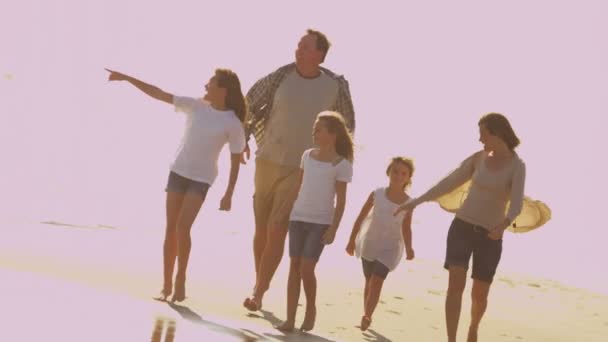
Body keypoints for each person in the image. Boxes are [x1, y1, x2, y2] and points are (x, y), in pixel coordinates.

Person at [105, 68, 247, 302]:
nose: (205, 85)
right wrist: (129, 78)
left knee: (183, 227)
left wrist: (229, 193)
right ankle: (166, 285)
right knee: (171, 228)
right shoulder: (196, 105)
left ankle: (181, 278)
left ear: (223, 89)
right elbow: (159, 94)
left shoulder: (233, 123)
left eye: (210, 82)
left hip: (202, 179)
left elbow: (235, 161)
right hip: (178, 172)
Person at [242, 29, 356, 311]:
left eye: (305, 47)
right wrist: (243, 136)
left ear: (319, 54)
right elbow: (248, 103)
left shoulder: (334, 85)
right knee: (262, 229)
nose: (299, 51)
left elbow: (347, 126)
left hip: (301, 167)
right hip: (267, 158)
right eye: (298, 46)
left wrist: (334, 166)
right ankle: (261, 281)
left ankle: (258, 291)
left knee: (278, 227)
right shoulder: (281, 76)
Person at [395, 113, 526, 342]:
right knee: (455, 285)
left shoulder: (517, 166)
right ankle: (451, 339)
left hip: (490, 236)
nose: (480, 139)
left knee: (479, 294)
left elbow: (516, 204)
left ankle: (473, 327)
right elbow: (449, 181)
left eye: (483, 134)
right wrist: (417, 201)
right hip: (462, 228)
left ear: (497, 133)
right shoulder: (478, 159)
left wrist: (503, 226)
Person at [265, 111, 354, 332]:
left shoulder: (342, 164)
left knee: (306, 268)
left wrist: (334, 228)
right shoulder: (307, 155)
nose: (314, 132)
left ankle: (311, 308)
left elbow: (341, 202)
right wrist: (283, 212)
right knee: (294, 266)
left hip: (320, 222)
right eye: (315, 128)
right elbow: (298, 186)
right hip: (298, 217)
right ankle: (290, 319)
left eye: (319, 129)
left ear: (332, 135)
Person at [345, 157, 416, 331]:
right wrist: (351, 240)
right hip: (370, 242)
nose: (398, 176)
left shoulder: (409, 203)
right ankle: (366, 311)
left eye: (403, 173)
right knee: (369, 281)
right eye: (395, 171)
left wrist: (409, 248)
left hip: (390, 247)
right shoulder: (376, 194)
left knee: (377, 280)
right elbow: (361, 217)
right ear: (389, 172)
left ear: (408, 178)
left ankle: (367, 315)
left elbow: (406, 228)